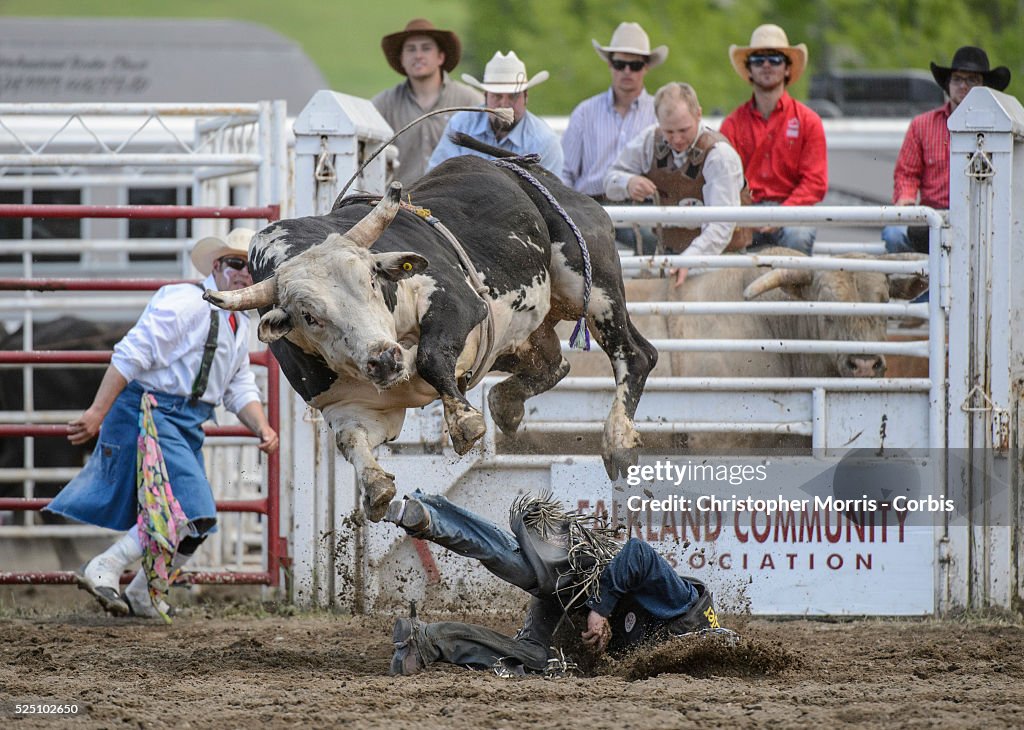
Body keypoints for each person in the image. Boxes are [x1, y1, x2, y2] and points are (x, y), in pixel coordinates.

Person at [45, 229, 279, 618]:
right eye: (236, 263)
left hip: (183, 420)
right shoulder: (185, 303)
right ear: (218, 267)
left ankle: (142, 593)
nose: (244, 274)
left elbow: (238, 385)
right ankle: (106, 565)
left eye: (251, 267)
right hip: (153, 411)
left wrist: (262, 427)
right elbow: (131, 355)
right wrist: (97, 412)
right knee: (192, 510)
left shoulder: (236, 324)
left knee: (195, 520)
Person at [384, 491, 730, 676]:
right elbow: (638, 554)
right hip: (581, 572)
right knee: (520, 567)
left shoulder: (662, 659)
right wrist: (600, 610)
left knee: (534, 661)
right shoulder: (684, 604)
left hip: (572, 614)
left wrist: (597, 640)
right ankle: (430, 518)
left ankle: (427, 640)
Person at [604, 82, 750, 287]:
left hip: (721, 264)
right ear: (659, 122)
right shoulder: (649, 140)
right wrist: (628, 182)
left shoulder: (719, 156)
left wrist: (689, 260)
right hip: (672, 258)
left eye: (683, 130)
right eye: (669, 131)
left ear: (698, 115)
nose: (677, 139)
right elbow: (610, 178)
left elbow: (721, 225)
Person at [883, 46, 1011, 254]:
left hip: (983, 220)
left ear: (984, 86)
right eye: (957, 79)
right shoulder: (922, 125)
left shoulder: (1000, 129)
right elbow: (906, 173)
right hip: (932, 217)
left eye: (972, 80)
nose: (963, 86)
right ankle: (919, 284)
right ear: (948, 84)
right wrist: (906, 200)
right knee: (895, 235)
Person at [720, 24, 827, 255]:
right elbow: (724, 179)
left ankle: (796, 291)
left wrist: (782, 213)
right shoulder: (732, 124)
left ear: (787, 69)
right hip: (746, 212)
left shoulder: (809, 121)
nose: (766, 64)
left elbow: (815, 182)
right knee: (723, 238)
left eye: (775, 58)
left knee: (797, 236)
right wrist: (747, 213)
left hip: (792, 212)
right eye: (758, 59)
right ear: (749, 70)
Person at [372, 18, 483, 187]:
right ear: (402, 59)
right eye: (411, 49)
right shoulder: (384, 104)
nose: (418, 55)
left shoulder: (470, 100)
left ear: (440, 57)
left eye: (426, 48)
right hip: (401, 203)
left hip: (455, 201)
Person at [561, 22, 667, 199]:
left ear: (646, 67)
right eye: (620, 64)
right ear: (610, 64)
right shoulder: (585, 112)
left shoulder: (660, 113)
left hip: (642, 209)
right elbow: (564, 172)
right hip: (589, 207)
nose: (627, 71)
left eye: (635, 66)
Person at [427, 51, 563, 176]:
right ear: (485, 97)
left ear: (526, 97)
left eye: (513, 96)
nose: (504, 104)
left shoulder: (545, 142)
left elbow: (551, 197)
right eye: (497, 96)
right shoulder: (461, 124)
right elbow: (435, 178)